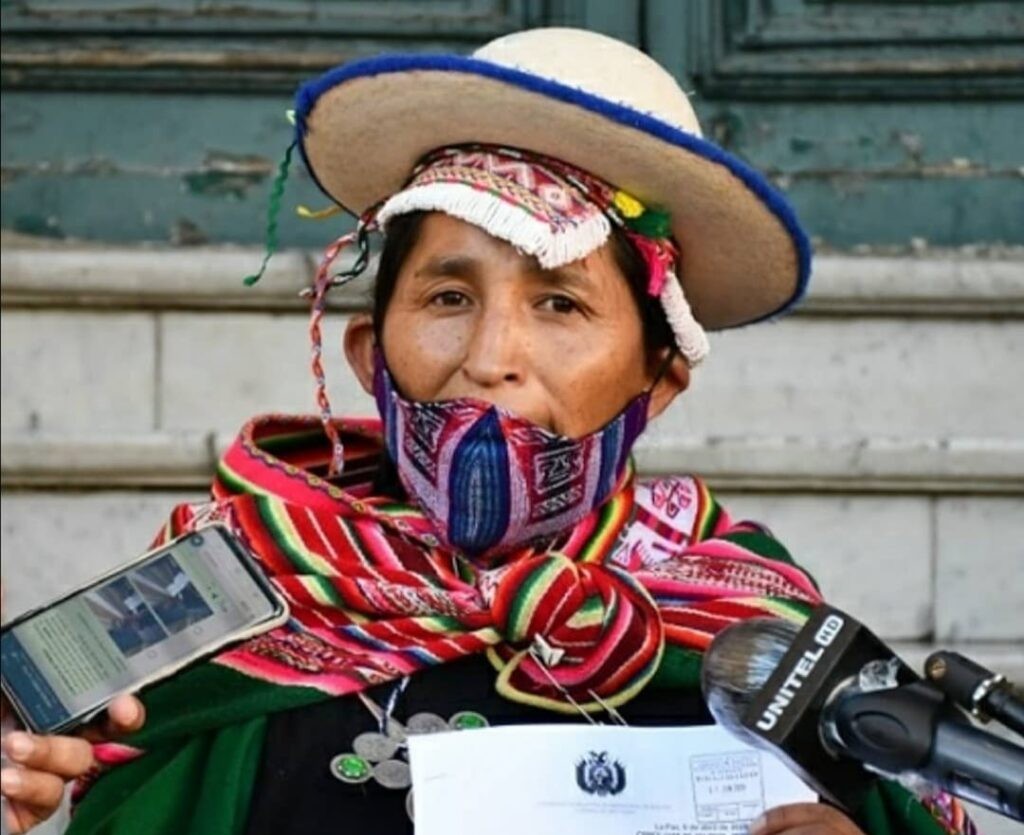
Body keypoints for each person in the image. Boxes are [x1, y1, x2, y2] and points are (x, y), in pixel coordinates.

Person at [0, 27, 977, 835]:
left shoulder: (764, 637)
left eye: (559, 303)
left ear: (659, 380)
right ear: (371, 358)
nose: (489, 356)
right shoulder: (229, 585)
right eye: (447, 293)